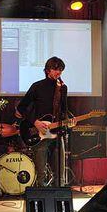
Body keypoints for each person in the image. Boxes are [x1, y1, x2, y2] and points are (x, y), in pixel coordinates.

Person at [16, 56, 74, 188]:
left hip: (57, 132)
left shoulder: (63, 88)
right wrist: (35, 122)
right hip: (40, 132)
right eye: (55, 69)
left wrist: (70, 120)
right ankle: (41, 199)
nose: (58, 72)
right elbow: (22, 107)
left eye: (60, 70)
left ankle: (59, 197)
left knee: (60, 171)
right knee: (41, 172)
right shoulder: (37, 86)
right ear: (48, 70)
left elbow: (64, 110)